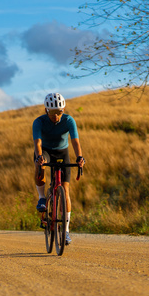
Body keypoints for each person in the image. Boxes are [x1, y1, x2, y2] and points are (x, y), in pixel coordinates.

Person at [33, 92, 86, 245]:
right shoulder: (39, 122)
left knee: (66, 189)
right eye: (52, 112)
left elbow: (75, 141)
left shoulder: (69, 120)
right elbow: (37, 143)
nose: (56, 116)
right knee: (40, 166)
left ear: (63, 110)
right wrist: (39, 157)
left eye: (59, 112)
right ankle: (42, 197)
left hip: (62, 151)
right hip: (45, 151)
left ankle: (66, 231)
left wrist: (79, 157)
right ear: (46, 110)